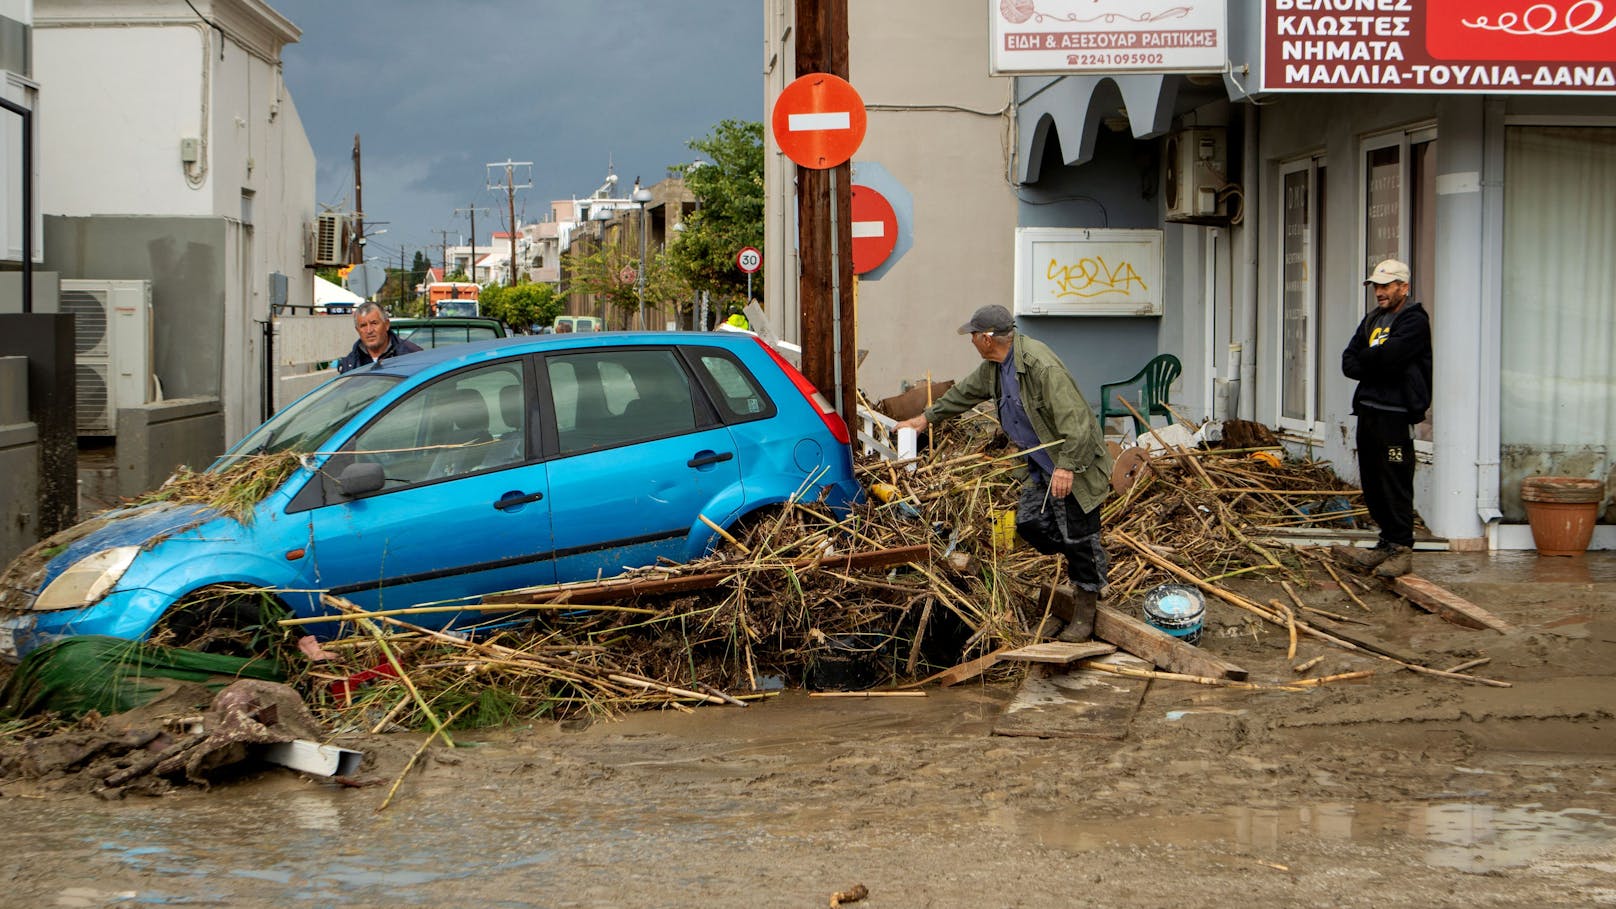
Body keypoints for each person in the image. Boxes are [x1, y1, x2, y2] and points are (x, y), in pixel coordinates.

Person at [896, 304, 1113, 641]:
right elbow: (964, 393)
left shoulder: (1041, 367)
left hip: (1075, 465)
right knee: (1030, 523)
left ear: (987, 338)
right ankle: (1089, 564)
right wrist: (925, 419)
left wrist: (1067, 466)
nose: (970, 341)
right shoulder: (995, 367)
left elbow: (1077, 421)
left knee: (1078, 537)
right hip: (1041, 469)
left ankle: (1085, 613)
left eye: (972, 335)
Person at [1336, 259, 1432, 579]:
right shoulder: (1373, 319)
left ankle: (1402, 546)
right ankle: (1386, 542)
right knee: (1373, 480)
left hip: (1396, 413)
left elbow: (1392, 358)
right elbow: (1349, 362)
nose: (1379, 292)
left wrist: (1373, 361)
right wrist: (1375, 360)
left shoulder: (1414, 320)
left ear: (1403, 287)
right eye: (1376, 286)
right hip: (1368, 409)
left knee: (1394, 478)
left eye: (1386, 286)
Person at [335, 301, 423, 374]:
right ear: (357, 330)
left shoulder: (412, 355)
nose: (369, 330)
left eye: (374, 323)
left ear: (386, 325)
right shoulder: (350, 364)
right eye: (363, 325)